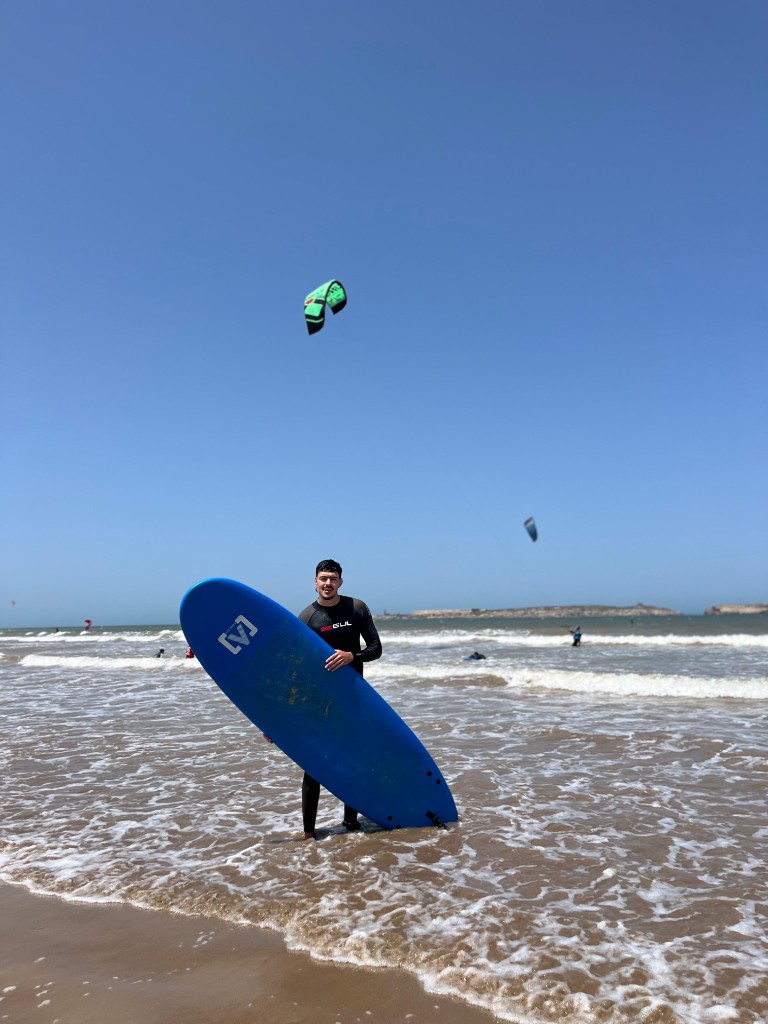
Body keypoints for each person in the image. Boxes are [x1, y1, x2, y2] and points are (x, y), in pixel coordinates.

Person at [296, 558, 382, 839]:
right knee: (314, 767)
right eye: (323, 578)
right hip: (319, 701)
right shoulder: (307, 618)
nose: (328, 583)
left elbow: (375, 648)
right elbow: (295, 670)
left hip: (353, 697)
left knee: (353, 761)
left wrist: (351, 656)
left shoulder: (356, 608)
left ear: (340, 582)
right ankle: (309, 834)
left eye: (333, 578)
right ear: (315, 581)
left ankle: (351, 824)